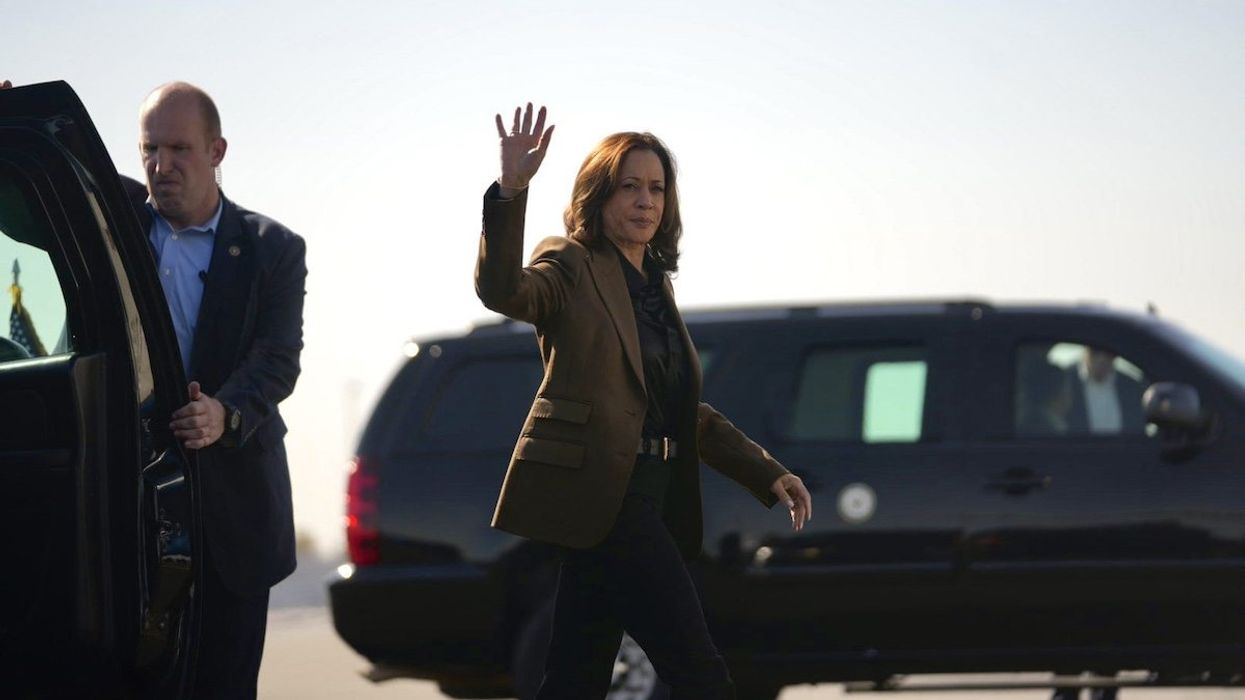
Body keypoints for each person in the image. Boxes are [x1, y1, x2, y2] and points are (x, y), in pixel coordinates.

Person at [475, 103, 813, 699]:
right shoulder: (571, 263)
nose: (645, 201)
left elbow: (683, 412)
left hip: (652, 490)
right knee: (695, 663)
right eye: (629, 186)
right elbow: (504, 290)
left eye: (656, 188)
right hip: (605, 489)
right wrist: (511, 191)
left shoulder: (656, 287)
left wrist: (766, 472)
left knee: (576, 673)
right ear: (599, 196)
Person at [136, 82, 307, 698]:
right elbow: (30, 222)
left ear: (217, 150)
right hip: (132, 513)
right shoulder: (117, 224)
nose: (161, 166)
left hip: (234, 514)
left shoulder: (273, 249)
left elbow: (277, 360)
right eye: (150, 148)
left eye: (179, 149)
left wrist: (224, 413)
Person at [1066, 347, 1145, 436]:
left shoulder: (1131, 387)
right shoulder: (1066, 381)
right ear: (1086, 350)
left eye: (1108, 353)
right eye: (1095, 351)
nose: (1102, 358)